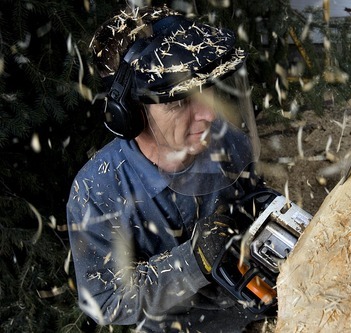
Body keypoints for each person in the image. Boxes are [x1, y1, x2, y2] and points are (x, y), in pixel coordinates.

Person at [66, 5, 271, 332]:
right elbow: (106, 300)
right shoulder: (98, 190)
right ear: (129, 113)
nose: (209, 115)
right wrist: (193, 261)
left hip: (248, 305)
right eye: (178, 100)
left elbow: (252, 206)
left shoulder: (228, 143)